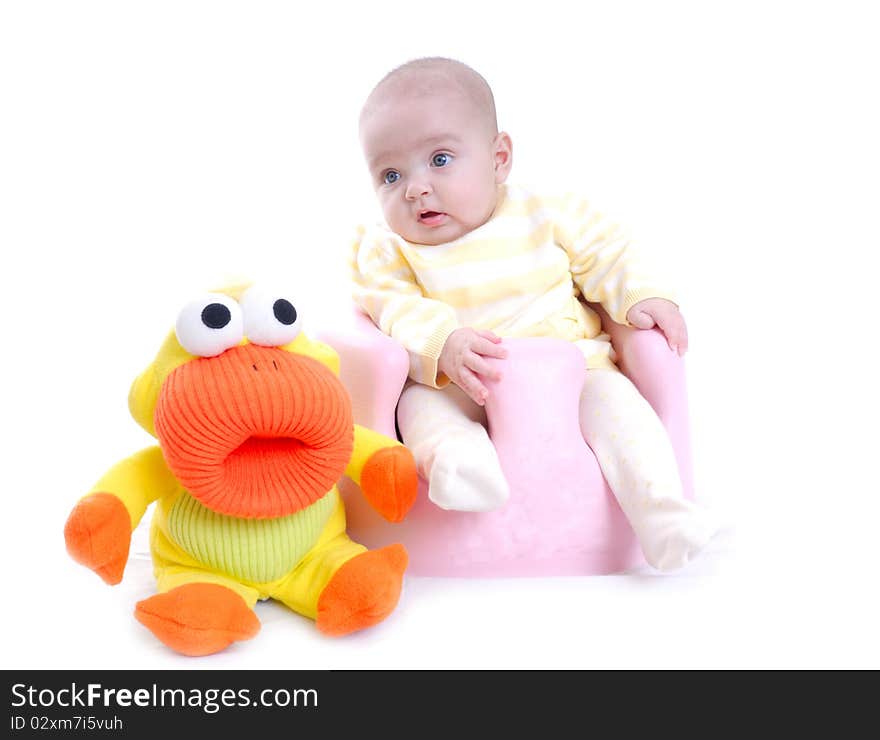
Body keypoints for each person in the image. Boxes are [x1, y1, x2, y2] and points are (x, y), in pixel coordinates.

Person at [350, 57, 719, 571]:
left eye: (439, 159)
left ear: (498, 157)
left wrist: (640, 296)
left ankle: (661, 513)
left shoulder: (547, 211)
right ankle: (461, 469)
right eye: (390, 174)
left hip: (575, 372)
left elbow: (608, 252)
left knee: (624, 417)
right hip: (457, 382)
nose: (414, 188)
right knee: (421, 415)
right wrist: (444, 342)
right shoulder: (387, 249)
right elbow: (389, 306)